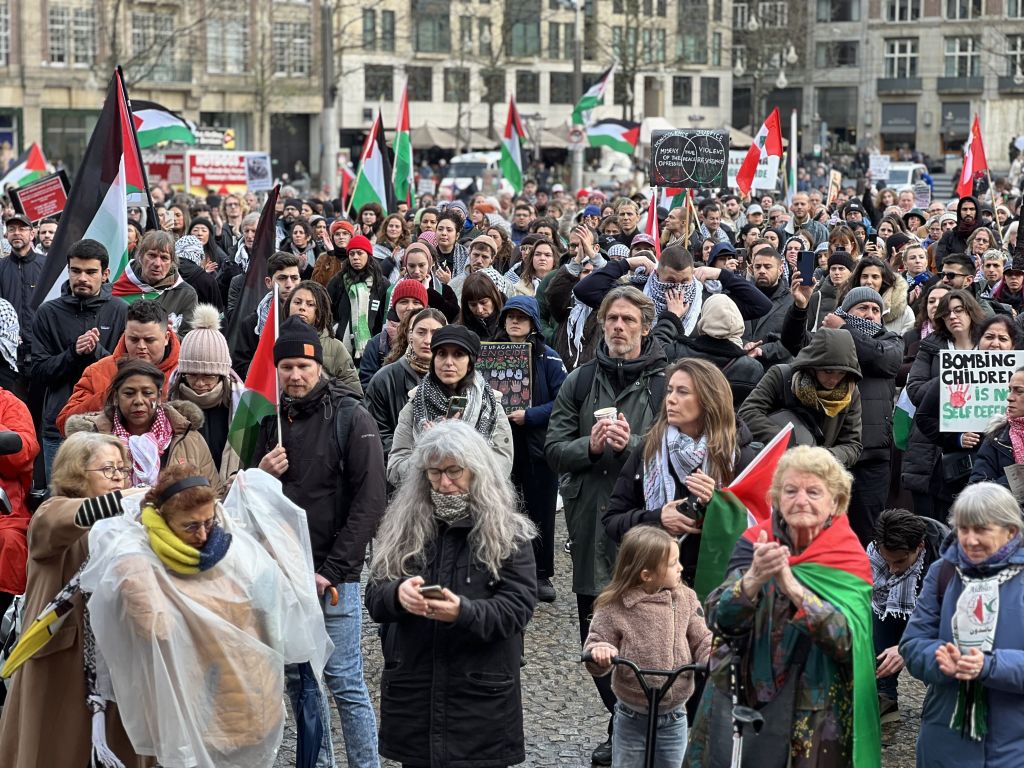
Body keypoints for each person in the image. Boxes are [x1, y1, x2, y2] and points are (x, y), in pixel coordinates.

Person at [78, 462, 328, 768]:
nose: (202, 534)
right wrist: (134, 573)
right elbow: (157, 629)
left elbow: (277, 609)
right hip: (201, 714)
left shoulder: (231, 547)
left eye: (208, 521)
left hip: (254, 699)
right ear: (163, 520)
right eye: (190, 526)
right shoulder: (142, 561)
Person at [684, 446, 880, 767]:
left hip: (816, 710)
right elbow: (719, 619)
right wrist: (753, 580)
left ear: (836, 501)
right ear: (776, 497)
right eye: (791, 490)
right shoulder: (754, 541)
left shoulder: (847, 557)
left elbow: (847, 642)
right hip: (740, 697)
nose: (801, 500)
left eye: (814, 491)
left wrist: (793, 588)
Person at [251, 316, 384, 767]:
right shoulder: (271, 423)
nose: (294, 376)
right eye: (285, 367)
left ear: (318, 365)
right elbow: (252, 501)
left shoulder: (352, 416)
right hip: (282, 576)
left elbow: (369, 504)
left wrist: (330, 571)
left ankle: (365, 764)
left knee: (344, 681)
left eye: (302, 366)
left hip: (333, 578)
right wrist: (262, 474)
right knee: (299, 681)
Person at [365, 420, 538, 768]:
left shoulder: (509, 532)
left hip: (480, 702)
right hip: (416, 697)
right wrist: (399, 595)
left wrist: (463, 612)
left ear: (476, 471)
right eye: (435, 473)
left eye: (454, 471)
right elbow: (374, 596)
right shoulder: (403, 527)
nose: (444, 483)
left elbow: (517, 608)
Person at [545, 285, 668, 765]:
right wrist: (591, 447)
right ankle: (621, 717)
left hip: (644, 529)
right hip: (590, 523)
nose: (618, 327)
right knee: (593, 638)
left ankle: (641, 722)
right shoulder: (579, 381)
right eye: (612, 319)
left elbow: (679, 443)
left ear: (645, 326)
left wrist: (632, 442)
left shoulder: (664, 382)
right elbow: (553, 448)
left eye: (628, 320)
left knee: (648, 630)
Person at [0, 433, 147, 768]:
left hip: (118, 657)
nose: (118, 478)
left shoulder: (129, 523)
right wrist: (132, 496)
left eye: (122, 470)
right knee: (57, 750)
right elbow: (73, 517)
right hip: (63, 662)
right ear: (77, 473)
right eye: (107, 470)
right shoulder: (51, 512)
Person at [604, 357, 757, 588]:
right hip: (656, 590)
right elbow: (612, 522)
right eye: (669, 391)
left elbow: (757, 532)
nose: (671, 400)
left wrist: (716, 504)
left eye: (683, 392)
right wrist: (657, 519)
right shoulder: (649, 449)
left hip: (715, 591)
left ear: (709, 399)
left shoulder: (738, 458)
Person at [900, 482, 1024, 767]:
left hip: (1013, 747)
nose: (969, 540)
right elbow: (913, 643)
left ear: (1011, 532)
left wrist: (988, 666)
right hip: (945, 741)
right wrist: (941, 660)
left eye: (982, 530)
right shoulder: (942, 572)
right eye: (963, 529)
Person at [784, 284, 903, 545]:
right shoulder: (829, 337)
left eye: (876, 309)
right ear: (845, 311)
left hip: (873, 457)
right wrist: (800, 308)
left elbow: (884, 360)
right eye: (862, 308)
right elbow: (793, 344)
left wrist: (844, 329)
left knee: (866, 535)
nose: (870, 314)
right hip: (829, 453)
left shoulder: (890, 341)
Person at [584, 526, 712, 768]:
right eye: (674, 564)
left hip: (674, 715)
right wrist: (601, 652)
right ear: (647, 574)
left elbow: (702, 637)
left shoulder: (685, 598)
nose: (681, 568)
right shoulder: (614, 606)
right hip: (631, 716)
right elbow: (597, 642)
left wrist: (711, 657)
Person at [904, 315, 1018, 520]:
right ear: (979, 340)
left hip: (1006, 477)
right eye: (989, 336)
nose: (995, 344)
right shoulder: (955, 371)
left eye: (1003, 339)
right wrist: (957, 437)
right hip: (956, 473)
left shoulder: (1020, 377)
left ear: (1013, 345)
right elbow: (924, 417)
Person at [31, 238, 128, 478]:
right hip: (59, 426)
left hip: (110, 426)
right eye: (76, 271)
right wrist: (73, 353)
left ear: (105, 274)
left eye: (90, 272)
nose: (82, 278)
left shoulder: (121, 311)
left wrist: (97, 353)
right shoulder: (47, 313)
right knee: (61, 502)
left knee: (108, 502)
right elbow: (39, 372)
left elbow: (128, 371)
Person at [494, 295, 568, 603]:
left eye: (521, 318)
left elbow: (563, 399)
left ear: (533, 323)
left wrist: (531, 415)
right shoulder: (493, 354)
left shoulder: (549, 358)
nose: (514, 322)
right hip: (502, 443)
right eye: (510, 316)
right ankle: (507, 570)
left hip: (538, 444)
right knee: (504, 507)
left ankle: (541, 573)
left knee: (540, 510)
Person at [65, 359, 218, 491]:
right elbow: (74, 499)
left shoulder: (189, 438)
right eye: (129, 393)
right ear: (116, 398)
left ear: (159, 397)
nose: (138, 401)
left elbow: (212, 493)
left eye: (147, 393)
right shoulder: (92, 442)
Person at [388, 325, 513, 486]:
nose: (448, 362)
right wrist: (428, 448)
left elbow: (501, 468)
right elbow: (394, 471)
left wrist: (459, 452)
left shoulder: (490, 407)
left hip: (477, 505)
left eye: (458, 355)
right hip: (424, 504)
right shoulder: (415, 405)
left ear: (470, 363)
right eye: (441, 354)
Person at [869, 508, 949, 725]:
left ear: (919, 547)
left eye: (900, 562)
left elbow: (948, 626)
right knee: (878, 614)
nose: (892, 569)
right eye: (887, 562)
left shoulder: (945, 562)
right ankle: (885, 694)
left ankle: (938, 693)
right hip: (893, 612)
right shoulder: (874, 553)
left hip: (939, 626)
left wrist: (909, 647)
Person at [57, 299, 181, 437]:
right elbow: (65, 424)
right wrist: (110, 396)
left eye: (149, 340)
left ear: (166, 338)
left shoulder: (185, 372)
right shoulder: (98, 371)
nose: (141, 346)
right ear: (125, 335)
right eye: (133, 339)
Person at [167, 305, 245, 488]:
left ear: (222, 375)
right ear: (182, 374)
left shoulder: (238, 406)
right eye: (193, 375)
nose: (200, 384)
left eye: (208, 376)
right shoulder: (171, 402)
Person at [366, 308, 447, 458]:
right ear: (410, 335)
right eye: (421, 332)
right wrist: (414, 458)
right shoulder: (384, 379)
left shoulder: (454, 378)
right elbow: (376, 434)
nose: (428, 340)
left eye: (435, 333)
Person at [111, 230, 199, 334]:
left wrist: (165, 336)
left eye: (164, 258)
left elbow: (188, 339)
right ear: (140, 257)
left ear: (172, 263)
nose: (157, 263)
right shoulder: (118, 285)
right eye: (152, 255)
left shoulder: (185, 294)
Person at [0, 388, 40, 617]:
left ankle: (7, 617)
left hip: (5, 507)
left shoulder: (9, 404)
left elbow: (24, 450)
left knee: (11, 541)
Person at [284, 279, 362, 393]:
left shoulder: (336, 348)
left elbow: (355, 395)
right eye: (297, 302)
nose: (302, 308)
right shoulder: (274, 340)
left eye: (310, 304)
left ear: (320, 311)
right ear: (288, 306)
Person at [326, 234, 389, 366]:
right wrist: (336, 328)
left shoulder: (381, 284)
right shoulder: (338, 281)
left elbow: (384, 318)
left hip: (372, 350)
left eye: (360, 253)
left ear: (368, 255)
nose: (355, 257)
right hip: (341, 347)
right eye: (352, 254)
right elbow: (327, 311)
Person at [358, 278, 427, 390]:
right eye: (404, 302)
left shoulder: (434, 339)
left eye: (416, 302)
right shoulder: (377, 343)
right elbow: (366, 386)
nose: (410, 307)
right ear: (394, 306)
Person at [967, 364, 1024, 488]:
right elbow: (978, 488)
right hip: (1010, 507)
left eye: (1019, 391)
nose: (1009, 398)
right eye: (1010, 390)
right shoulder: (997, 438)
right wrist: (1018, 480)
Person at [458, 271, 507, 341]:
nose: (479, 310)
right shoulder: (460, 328)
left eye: (484, 302)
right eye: (473, 305)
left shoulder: (511, 320)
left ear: (494, 297)